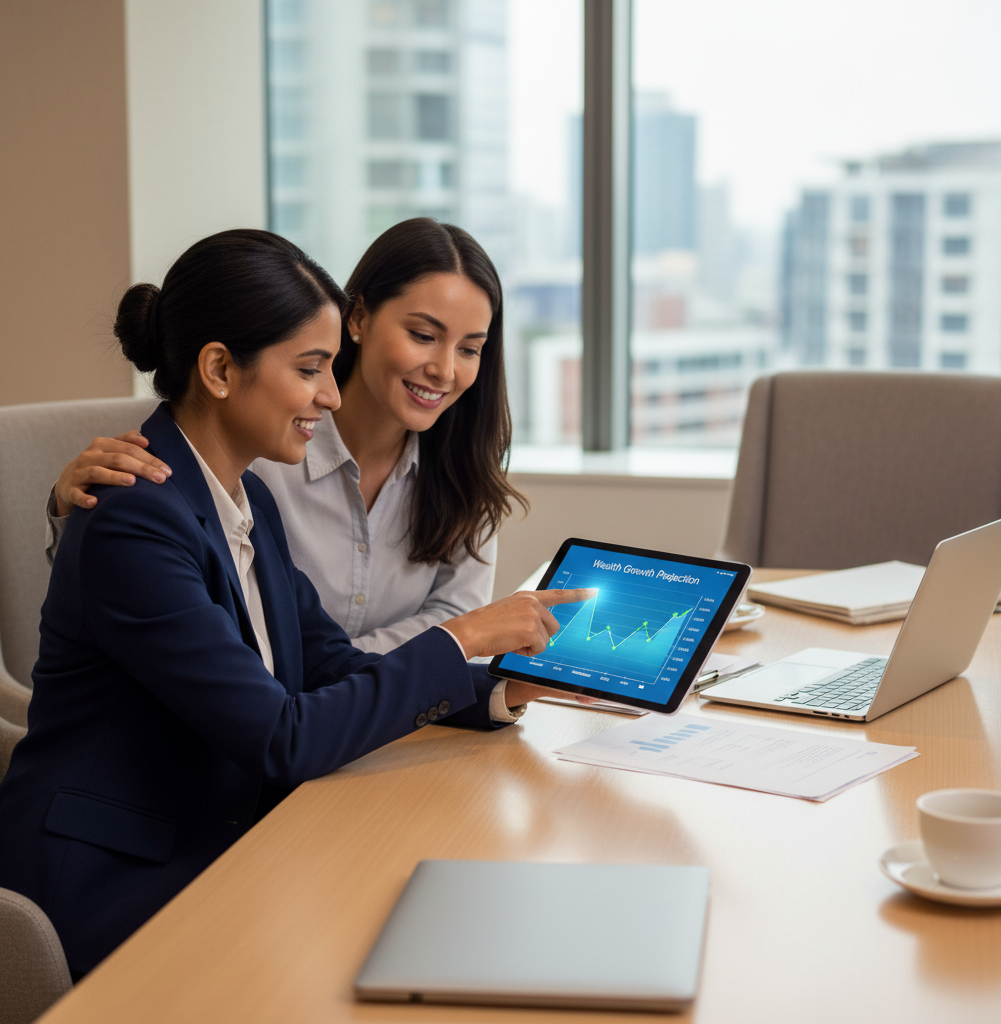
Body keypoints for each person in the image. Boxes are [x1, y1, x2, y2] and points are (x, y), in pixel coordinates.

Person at [0, 229, 592, 976]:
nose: (331, 395)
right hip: (115, 882)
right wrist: (458, 640)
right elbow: (283, 736)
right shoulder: (135, 521)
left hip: (217, 837)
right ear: (218, 369)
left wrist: (500, 688)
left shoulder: (243, 499)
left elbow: (323, 662)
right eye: (311, 368)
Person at [47, 219, 523, 653]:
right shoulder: (255, 446)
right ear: (358, 318)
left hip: (360, 719)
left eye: (470, 349)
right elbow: (156, 585)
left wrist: (339, 675)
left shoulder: (466, 469)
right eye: (423, 335)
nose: (445, 370)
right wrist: (75, 511)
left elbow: (454, 619)